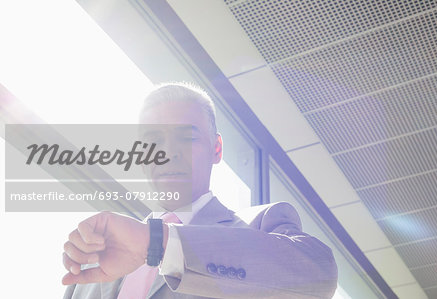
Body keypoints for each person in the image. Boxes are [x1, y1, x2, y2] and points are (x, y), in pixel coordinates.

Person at [62, 82, 338, 299]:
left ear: (216, 149)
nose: (168, 152)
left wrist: (156, 242)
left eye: (187, 137)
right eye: (153, 140)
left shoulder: (260, 225)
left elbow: (318, 276)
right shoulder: (95, 261)